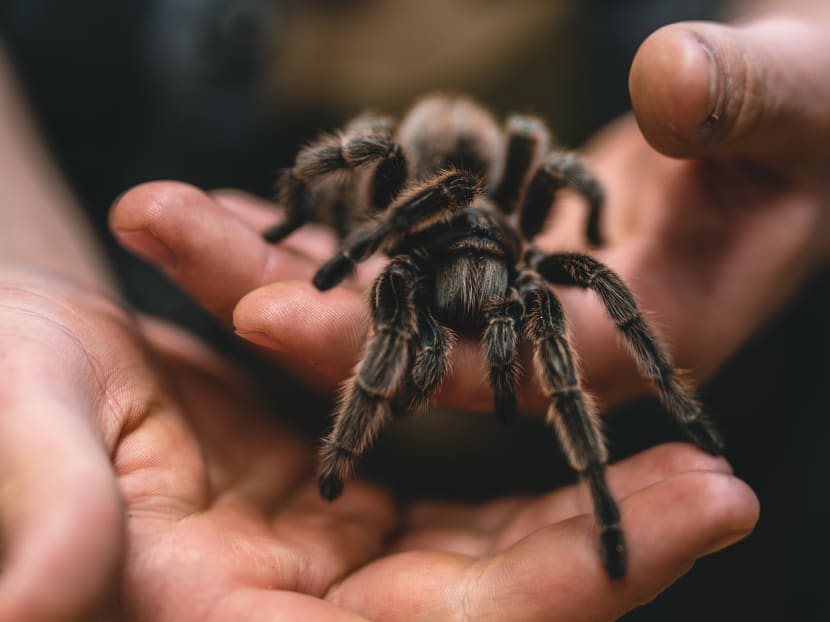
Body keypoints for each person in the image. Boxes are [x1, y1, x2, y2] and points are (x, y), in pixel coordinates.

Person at [1, 6, 829, 621]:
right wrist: (333, 243)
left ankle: (640, 461)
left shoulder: (529, 260)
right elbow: (369, 175)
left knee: (603, 309)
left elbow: (565, 172)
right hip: (177, 140)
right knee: (370, 199)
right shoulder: (402, 242)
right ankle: (343, 452)